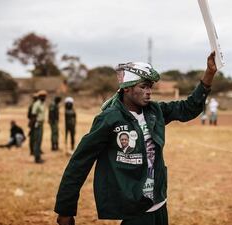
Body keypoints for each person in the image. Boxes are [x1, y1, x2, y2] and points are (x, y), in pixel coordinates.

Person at [54, 51, 218, 225]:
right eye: (143, 87)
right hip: (134, 210)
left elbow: (189, 108)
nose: (148, 92)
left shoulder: (155, 111)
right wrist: (65, 209)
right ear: (127, 88)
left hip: (159, 204)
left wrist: (209, 73)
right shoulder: (110, 118)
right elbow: (80, 163)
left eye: (150, 87)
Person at [31, 90, 47, 163]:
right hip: (37, 124)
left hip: (41, 124)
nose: (44, 98)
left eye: (45, 96)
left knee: (39, 141)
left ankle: (38, 156)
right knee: (37, 141)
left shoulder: (43, 104)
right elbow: (33, 115)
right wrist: (34, 125)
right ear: (40, 97)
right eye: (43, 96)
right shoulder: (36, 104)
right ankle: (37, 158)